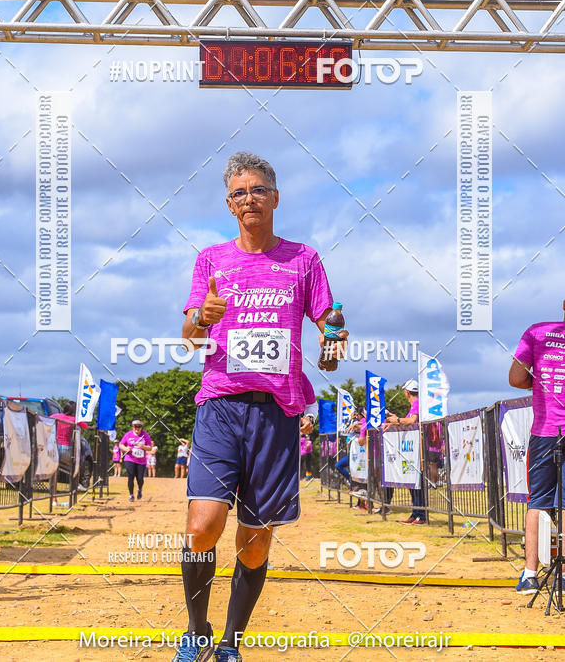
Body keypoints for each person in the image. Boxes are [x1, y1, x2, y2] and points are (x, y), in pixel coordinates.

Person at [175, 150, 347, 662]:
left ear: (275, 197)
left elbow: (330, 328)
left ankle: (230, 642)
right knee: (202, 526)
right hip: (221, 404)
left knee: (255, 540)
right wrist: (201, 320)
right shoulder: (211, 259)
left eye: (258, 190)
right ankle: (196, 632)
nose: (249, 198)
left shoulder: (304, 259)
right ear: (229, 204)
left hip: (277, 412)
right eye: (239, 192)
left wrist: (334, 345)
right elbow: (188, 338)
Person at [509, 302, 565, 594]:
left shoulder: (538, 332)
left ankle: (530, 574)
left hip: (546, 432)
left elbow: (516, 378)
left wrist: (541, 384)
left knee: (538, 502)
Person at [384, 380, 425, 523]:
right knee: (412, 483)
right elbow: (407, 421)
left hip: (417, 450)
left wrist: (398, 420)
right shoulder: (417, 404)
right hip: (412, 450)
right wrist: (393, 422)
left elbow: (412, 420)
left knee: (417, 484)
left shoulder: (417, 403)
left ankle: (421, 514)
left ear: (407, 392)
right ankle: (415, 513)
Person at [119, 419, 152, 501]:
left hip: (141, 461)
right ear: (132, 427)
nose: (137, 428)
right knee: (130, 476)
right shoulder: (128, 435)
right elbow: (121, 444)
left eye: (139, 426)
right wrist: (126, 448)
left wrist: (143, 446)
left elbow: (150, 447)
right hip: (130, 459)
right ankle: (131, 495)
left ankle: (139, 489)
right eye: (135, 426)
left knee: (140, 478)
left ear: (141, 427)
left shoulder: (145, 435)